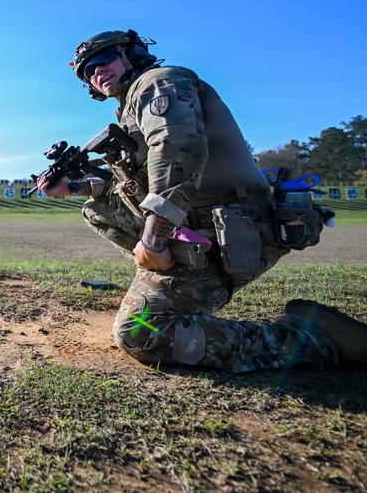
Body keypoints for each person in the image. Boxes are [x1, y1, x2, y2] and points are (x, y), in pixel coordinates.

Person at [37, 29, 367, 373]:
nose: (97, 72)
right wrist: (74, 188)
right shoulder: (132, 105)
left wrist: (153, 240)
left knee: (143, 333)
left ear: (131, 54)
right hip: (208, 223)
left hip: (236, 228)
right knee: (97, 210)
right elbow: (131, 185)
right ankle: (167, 279)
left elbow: (179, 153)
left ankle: (312, 339)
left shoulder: (158, 83)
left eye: (104, 60)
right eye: (88, 71)